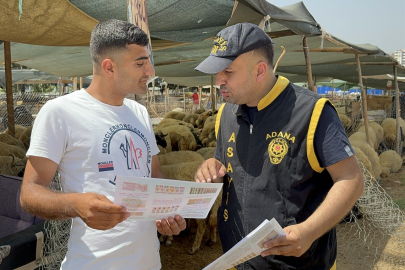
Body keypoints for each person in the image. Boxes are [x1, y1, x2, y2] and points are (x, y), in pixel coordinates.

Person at [194, 22, 364, 270]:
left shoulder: (312, 112)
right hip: (236, 261)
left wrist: (308, 231)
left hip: (299, 265)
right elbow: (226, 168)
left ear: (260, 71)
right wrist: (212, 168)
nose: (219, 80)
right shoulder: (226, 115)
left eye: (228, 72)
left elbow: (351, 178)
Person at [20, 19, 186, 270]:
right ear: (109, 67)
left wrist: (166, 214)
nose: (150, 71)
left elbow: (154, 177)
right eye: (140, 63)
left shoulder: (139, 113)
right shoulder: (60, 112)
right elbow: (29, 193)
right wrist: (76, 204)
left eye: (148, 61)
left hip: (149, 263)